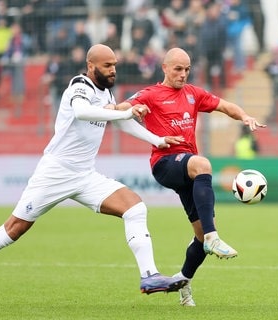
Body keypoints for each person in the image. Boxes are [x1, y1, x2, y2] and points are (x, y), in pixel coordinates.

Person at [0, 44, 186, 295]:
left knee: (134, 207)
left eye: (114, 65)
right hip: (55, 173)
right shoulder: (79, 85)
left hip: (85, 176)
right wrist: (124, 112)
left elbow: (122, 123)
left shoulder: (106, 94)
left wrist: (157, 140)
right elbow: (82, 112)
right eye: (107, 65)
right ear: (90, 66)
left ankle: (149, 276)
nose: (113, 70)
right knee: (14, 229)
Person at [114, 47, 266, 306]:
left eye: (187, 69)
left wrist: (244, 116)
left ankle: (183, 280)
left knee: (199, 234)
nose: (183, 74)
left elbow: (224, 105)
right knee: (202, 164)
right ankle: (213, 237)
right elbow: (120, 107)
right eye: (178, 69)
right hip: (164, 163)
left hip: (187, 167)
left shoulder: (193, 94)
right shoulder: (151, 94)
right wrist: (130, 110)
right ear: (164, 68)